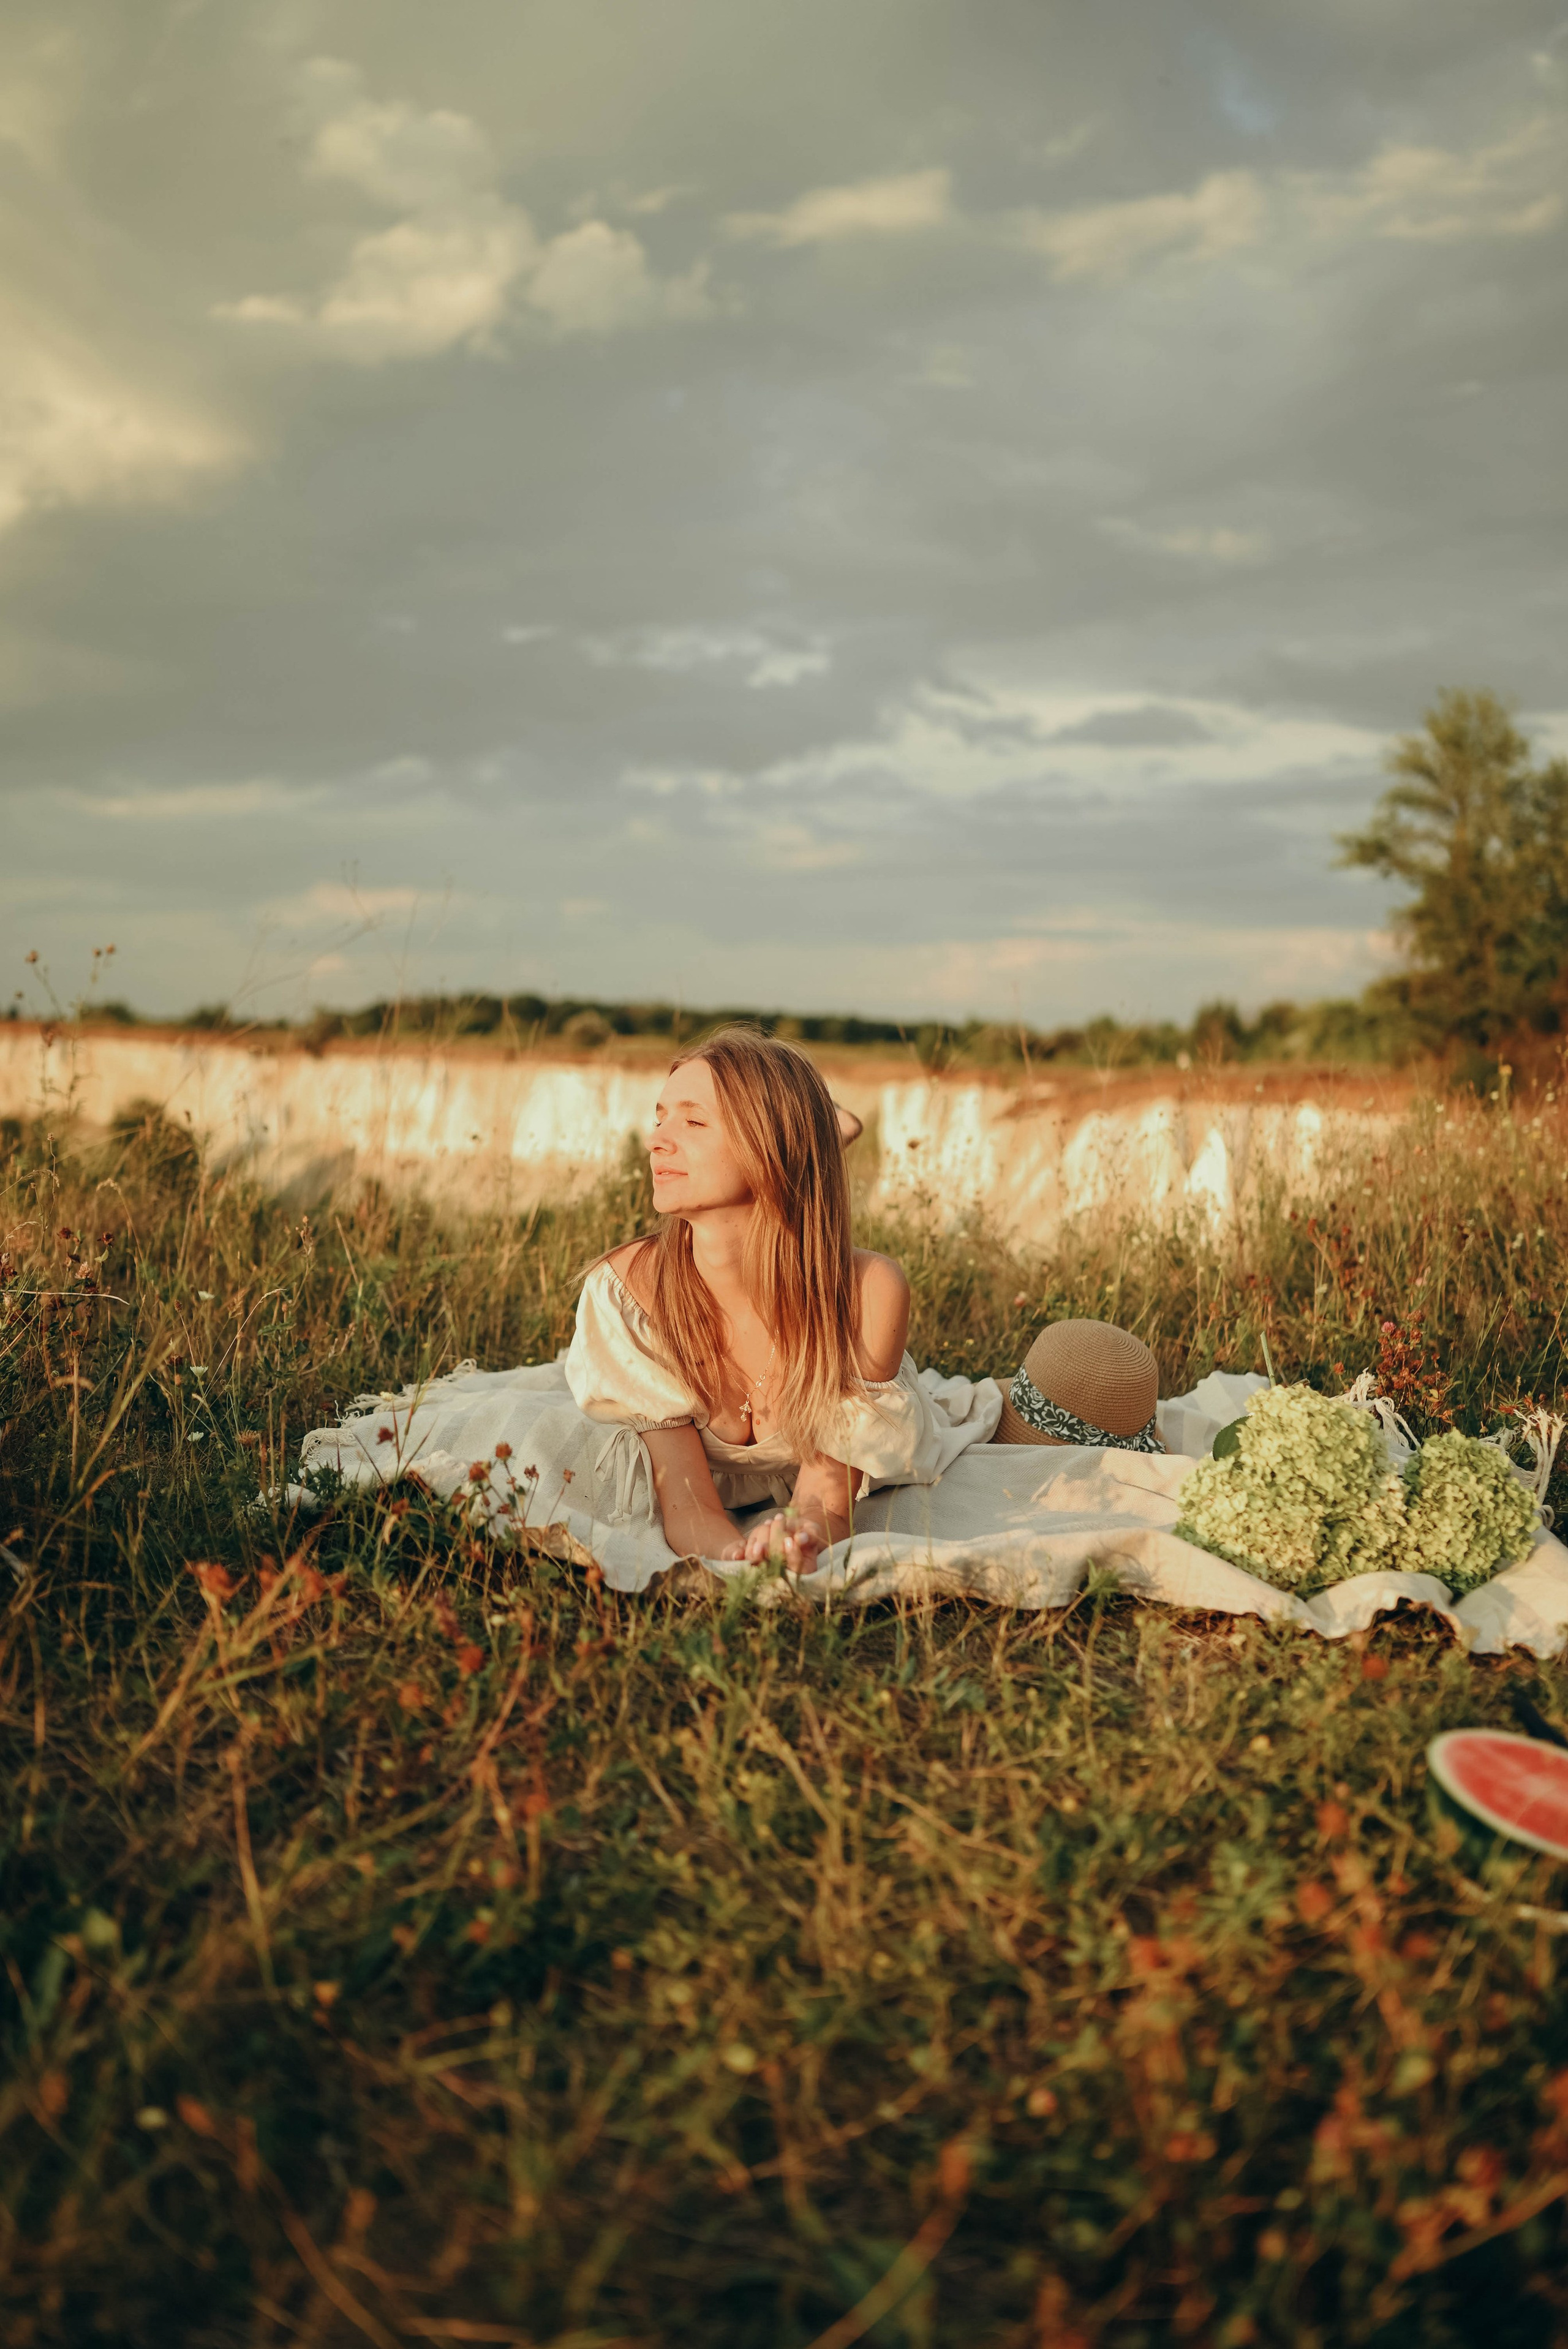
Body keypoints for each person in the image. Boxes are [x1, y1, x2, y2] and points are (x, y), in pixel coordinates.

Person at [564, 1027, 940, 1575]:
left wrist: (800, 1533)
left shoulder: (868, 1291)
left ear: (770, 1146)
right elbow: (687, 1504)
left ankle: (822, 1132)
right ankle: (827, 1130)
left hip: (793, 1205)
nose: (657, 1141)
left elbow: (826, 1497)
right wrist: (736, 1553)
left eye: (692, 1121)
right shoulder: (627, 1293)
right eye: (660, 1117)